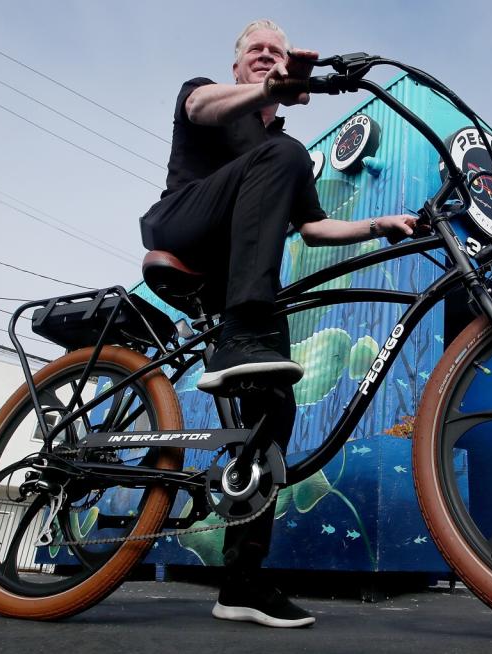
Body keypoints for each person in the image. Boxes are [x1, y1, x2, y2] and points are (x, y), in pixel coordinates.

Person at [139, 19, 415, 628]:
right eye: (256, 51)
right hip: (184, 230)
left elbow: (314, 227)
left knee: (274, 414)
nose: (266, 56)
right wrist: (268, 93)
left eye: (277, 52)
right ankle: (243, 331)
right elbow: (200, 106)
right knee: (284, 153)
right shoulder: (212, 98)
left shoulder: (283, 155)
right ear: (238, 64)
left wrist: (382, 223)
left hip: (238, 282)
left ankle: (240, 583)